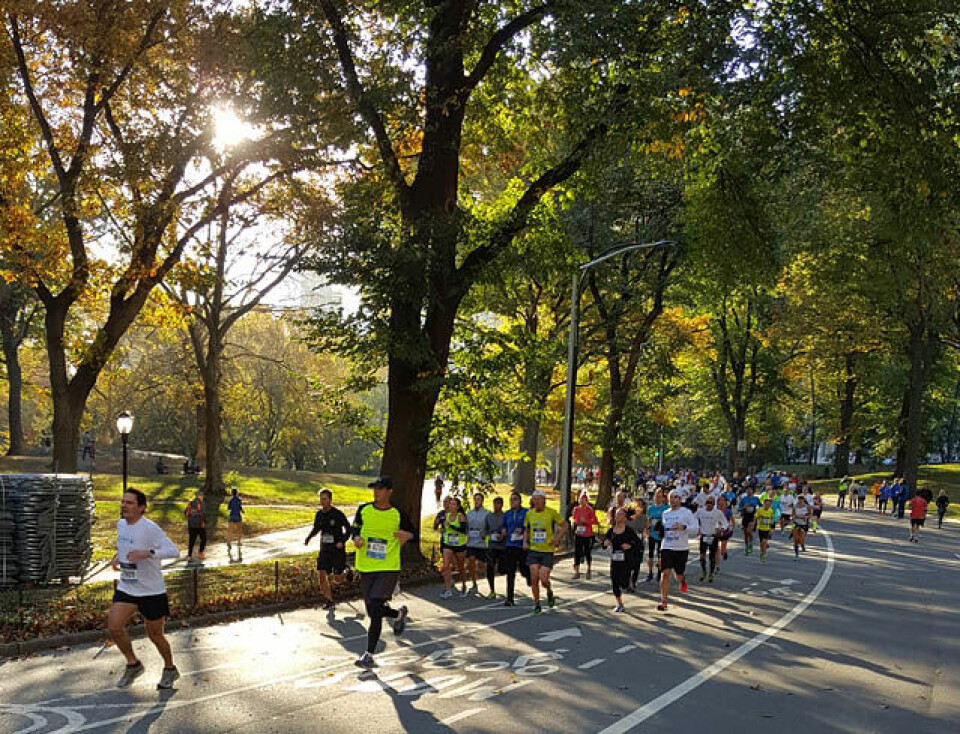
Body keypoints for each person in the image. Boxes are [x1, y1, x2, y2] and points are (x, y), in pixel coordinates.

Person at [108, 488, 181, 689]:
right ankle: (133, 664)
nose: (124, 506)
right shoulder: (121, 524)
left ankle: (169, 669)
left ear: (142, 508)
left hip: (152, 591)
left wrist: (147, 553)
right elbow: (124, 546)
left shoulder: (151, 528)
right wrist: (117, 557)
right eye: (123, 502)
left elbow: (174, 552)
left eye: (129, 503)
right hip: (128, 587)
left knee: (155, 635)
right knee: (114, 626)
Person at [351, 476, 415, 669]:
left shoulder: (398, 514)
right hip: (366, 566)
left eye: (380, 489)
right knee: (372, 610)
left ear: (389, 491)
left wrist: (407, 535)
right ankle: (397, 614)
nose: (376, 492)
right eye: (374, 489)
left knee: (376, 606)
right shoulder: (364, 510)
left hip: (388, 567)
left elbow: (413, 532)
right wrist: (356, 539)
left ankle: (369, 655)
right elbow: (354, 530)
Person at [305, 488, 351, 610]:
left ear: (330, 500)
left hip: (337, 550)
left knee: (337, 578)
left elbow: (348, 529)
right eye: (321, 498)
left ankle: (346, 570)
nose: (322, 501)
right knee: (321, 573)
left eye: (325, 499)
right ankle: (329, 600)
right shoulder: (319, 514)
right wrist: (308, 538)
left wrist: (342, 541)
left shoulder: (337, 514)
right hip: (325, 549)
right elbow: (316, 528)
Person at [523, 489, 567, 615]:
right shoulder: (529, 514)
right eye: (534, 499)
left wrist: (557, 539)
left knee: (543, 579)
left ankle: (549, 591)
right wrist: (525, 542)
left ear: (543, 500)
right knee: (534, 578)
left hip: (547, 550)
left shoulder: (551, 513)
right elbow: (527, 529)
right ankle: (537, 604)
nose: (535, 501)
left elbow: (564, 525)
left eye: (538, 499)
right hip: (534, 550)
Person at [658, 489, 697, 611]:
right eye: (671, 497)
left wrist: (683, 527)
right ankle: (663, 601)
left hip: (681, 548)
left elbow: (696, 528)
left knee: (679, 574)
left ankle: (682, 581)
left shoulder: (686, 513)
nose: (673, 500)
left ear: (680, 499)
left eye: (676, 497)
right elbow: (662, 529)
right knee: (665, 573)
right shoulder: (665, 513)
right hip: (667, 546)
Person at [604, 508, 641, 613]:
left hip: (626, 560)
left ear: (625, 518)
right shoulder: (611, 531)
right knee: (614, 581)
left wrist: (629, 545)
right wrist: (605, 543)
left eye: (621, 514)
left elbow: (638, 544)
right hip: (615, 560)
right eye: (617, 514)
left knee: (623, 583)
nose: (618, 516)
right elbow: (605, 542)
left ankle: (628, 582)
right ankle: (619, 604)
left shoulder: (629, 531)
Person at [435, 496, 468, 599]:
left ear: (457, 506)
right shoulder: (447, 515)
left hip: (459, 544)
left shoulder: (461, 516)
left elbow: (463, 531)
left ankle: (463, 585)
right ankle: (448, 589)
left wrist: (452, 526)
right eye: (450, 504)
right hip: (448, 543)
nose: (451, 506)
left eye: (453, 504)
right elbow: (444, 528)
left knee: (460, 566)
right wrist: (443, 530)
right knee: (445, 565)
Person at [502, 491, 529, 606]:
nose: (513, 502)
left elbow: (529, 526)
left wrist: (522, 531)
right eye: (511, 500)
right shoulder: (507, 514)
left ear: (520, 501)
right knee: (510, 572)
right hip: (510, 545)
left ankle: (528, 576)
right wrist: (503, 531)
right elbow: (504, 525)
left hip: (521, 546)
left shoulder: (526, 512)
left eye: (515, 499)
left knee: (524, 569)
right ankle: (509, 598)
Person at [695, 495, 728, 581]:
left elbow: (725, 523)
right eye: (707, 502)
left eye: (711, 503)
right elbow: (693, 519)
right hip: (704, 536)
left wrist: (721, 529)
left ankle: (711, 573)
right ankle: (703, 572)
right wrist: (696, 528)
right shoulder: (700, 511)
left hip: (713, 536)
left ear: (714, 504)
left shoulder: (718, 513)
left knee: (712, 557)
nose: (709, 504)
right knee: (702, 556)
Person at [464, 492, 490, 596]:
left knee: (481, 565)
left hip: (481, 543)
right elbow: (465, 527)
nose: (476, 501)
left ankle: (486, 573)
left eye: (478, 499)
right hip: (471, 542)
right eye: (475, 499)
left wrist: (486, 534)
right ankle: (474, 583)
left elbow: (490, 527)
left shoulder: (487, 513)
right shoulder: (469, 513)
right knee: (471, 562)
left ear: (482, 501)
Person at [571, 492, 599, 580]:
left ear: (587, 501)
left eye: (584, 500)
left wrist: (586, 521)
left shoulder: (590, 510)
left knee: (587, 552)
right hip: (578, 533)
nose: (582, 502)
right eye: (581, 500)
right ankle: (577, 571)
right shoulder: (576, 509)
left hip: (587, 534)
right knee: (577, 552)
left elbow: (594, 520)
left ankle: (589, 569)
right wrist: (576, 521)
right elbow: (574, 518)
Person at [483, 496, 507, 598]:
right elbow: (486, 529)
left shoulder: (505, 516)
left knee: (502, 569)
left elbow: (509, 528)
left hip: (503, 546)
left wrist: (504, 534)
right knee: (489, 567)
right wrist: (484, 534)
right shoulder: (489, 516)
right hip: (492, 545)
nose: (496, 506)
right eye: (494, 504)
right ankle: (492, 590)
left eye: (498, 504)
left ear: (502, 505)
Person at [646, 488, 668, 582]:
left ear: (663, 498)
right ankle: (650, 572)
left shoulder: (665, 508)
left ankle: (659, 572)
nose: (657, 498)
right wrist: (647, 529)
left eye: (659, 497)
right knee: (650, 554)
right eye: (656, 496)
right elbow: (647, 521)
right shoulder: (650, 508)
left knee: (660, 555)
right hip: (652, 534)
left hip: (661, 535)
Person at [627, 498, 648, 591]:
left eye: (640, 505)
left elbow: (647, 529)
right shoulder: (629, 517)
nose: (638, 507)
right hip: (629, 542)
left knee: (636, 564)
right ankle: (629, 582)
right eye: (637, 505)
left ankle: (633, 582)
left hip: (639, 543)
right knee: (628, 563)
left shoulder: (644, 517)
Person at [738, 485, 761, 555]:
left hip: (753, 517)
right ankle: (747, 547)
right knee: (745, 534)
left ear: (753, 491)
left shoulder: (756, 499)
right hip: (745, 516)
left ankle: (751, 544)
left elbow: (761, 506)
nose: (749, 491)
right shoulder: (743, 499)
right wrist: (743, 507)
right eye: (748, 489)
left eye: (750, 489)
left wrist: (757, 509)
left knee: (749, 531)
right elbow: (739, 508)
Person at [185, 490, 206, 563]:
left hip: (191, 525)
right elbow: (203, 513)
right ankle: (200, 553)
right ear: (200, 496)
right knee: (204, 538)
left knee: (192, 541)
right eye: (202, 496)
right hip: (199, 525)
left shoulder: (190, 503)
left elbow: (186, 513)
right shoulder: (201, 503)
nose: (203, 497)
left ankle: (189, 556)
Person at [717, 493, 736, 566]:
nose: (721, 502)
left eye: (722, 500)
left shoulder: (728, 511)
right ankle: (716, 564)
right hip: (717, 531)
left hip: (725, 532)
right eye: (719, 500)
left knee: (722, 550)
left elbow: (733, 521)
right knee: (716, 549)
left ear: (725, 502)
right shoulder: (715, 511)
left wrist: (732, 528)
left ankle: (724, 552)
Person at [755, 496, 776, 563]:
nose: (767, 505)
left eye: (769, 504)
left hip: (767, 529)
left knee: (764, 542)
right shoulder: (759, 510)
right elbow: (755, 517)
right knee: (762, 543)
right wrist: (759, 517)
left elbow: (772, 519)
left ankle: (764, 555)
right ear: (763, 504)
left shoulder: (771, 511)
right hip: (760, 528)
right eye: (766, 504)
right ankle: (762, 553)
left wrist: (771, 528)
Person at [792, 495, 811, 560]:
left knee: (801, 540)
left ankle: (802, 544)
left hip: (804, 524)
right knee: (795, 540)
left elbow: (810, 514)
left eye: (801, 499)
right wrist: (794, 517)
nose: (800, 500)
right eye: (799, 499)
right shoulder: (795, 506)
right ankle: (796, 554)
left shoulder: (807, 506)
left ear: (804, 500)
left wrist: (806, 517)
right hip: (796, 523)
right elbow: (793, 514)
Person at [227, 487, 244, 552]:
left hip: (231, 515)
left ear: (231, 493)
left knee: (230, 530)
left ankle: (229, 542)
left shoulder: (230, 500)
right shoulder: (239, 500)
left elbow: (229, 508)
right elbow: (240, 507)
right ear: (237, 493)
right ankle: (239, 542)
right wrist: (242, 510)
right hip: (237, 516)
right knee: (239, 529)